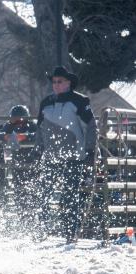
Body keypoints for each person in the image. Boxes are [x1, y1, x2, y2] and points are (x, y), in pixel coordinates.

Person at [34, 66, 97, 243]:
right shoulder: (45, 103)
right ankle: (41, 230)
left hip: (74, 156)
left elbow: (91, 126)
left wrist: (90, 150)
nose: (56, 84)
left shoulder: (80, 101)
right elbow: (40, 128)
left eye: (59, 81)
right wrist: (38, 149)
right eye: (54, 81)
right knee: (44, 193)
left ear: (68, 83)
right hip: (51, 157)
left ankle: (70, 233)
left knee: (70, 196)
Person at [0, 105, 37, 223]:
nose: (18, 123)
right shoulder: (9, 126)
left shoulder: (33, 126)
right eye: (15, 120)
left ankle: (33, 220)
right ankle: (22, 220)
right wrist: (6, 136)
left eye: (21, 119)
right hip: (17, 165)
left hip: (33, 164)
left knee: (33, 193)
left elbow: (40, 133)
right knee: (19, 193)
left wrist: (26, 136)